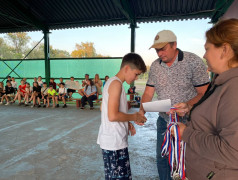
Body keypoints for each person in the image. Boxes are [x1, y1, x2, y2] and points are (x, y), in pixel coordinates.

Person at [170, 19, 238, 180]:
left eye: (207, 49)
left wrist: (186, 133)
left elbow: (233, 152)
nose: (204, 55)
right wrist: (189, 109)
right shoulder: (222, 82)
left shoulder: (234, 87)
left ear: (225, 50)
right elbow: (216, 115)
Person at [140, 30, 210, 180]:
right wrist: (142, 110)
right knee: (162, 158)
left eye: (163, 48)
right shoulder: (155, 66)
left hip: (190, 122)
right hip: (164, 121)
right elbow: (147, 93)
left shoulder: (193, 61)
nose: (159, 53)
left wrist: (188, 105)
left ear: (175, 45)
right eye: (157, 50)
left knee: (187, 159)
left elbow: (205, 92)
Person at [97, 53, 147, 180]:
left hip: (113, 142)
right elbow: (112, 116)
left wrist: (127, 123)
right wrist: (134, 117)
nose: (136, 78)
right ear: (126, 69)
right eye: (136, 74)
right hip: (114, 143)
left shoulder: (112, 82)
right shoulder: (116, 84)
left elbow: (103, 108)